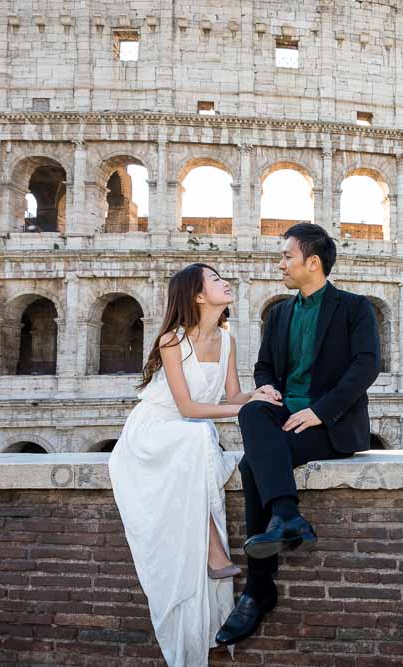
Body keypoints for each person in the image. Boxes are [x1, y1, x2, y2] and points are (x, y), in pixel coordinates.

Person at [215, 223, 381, 646]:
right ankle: (287, 517)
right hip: (283, 415)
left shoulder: (354, 307)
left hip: (331, 425)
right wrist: (268, 388)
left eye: (286, 256)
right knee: (253, 409)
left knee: (254, 466)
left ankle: (260, 588)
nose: (280, 264)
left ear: (313, 262)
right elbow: (264, 366)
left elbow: (366, 366)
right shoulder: (280, 313)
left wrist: (319, 412)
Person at [109, 263, 280, 666]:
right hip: (154, 431)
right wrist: (243, 409)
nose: (226, 282)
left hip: (188, 435)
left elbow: (232, 394)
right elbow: (186, 407)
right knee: (198, 434)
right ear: (199, 296)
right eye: (216, 280)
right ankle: (214, 549)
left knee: (199, 436)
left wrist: (259, 395)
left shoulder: (227, 340)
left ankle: (212, 554)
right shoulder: (173, 340)